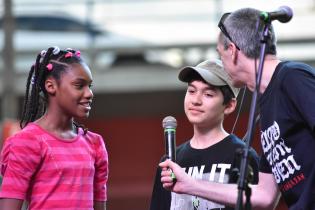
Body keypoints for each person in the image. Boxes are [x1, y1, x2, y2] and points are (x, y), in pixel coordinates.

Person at [160, 7, 315, 210]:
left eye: (220, 54)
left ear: (232, 51)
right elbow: (264, 195)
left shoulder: (292, 77)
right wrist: (191, 185)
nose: (222, 63)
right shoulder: (267, 107)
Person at [0, 47, 109, 210]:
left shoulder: (95, 144)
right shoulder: (27, 141)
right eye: (79, 85)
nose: (89, 93)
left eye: (90, 86)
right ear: (51, 86)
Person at [150, 59, 260, 210]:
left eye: (208, 94)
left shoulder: (242, 156)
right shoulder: (171, 160)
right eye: (191, 91)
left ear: (229, 105)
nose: (196, 100)